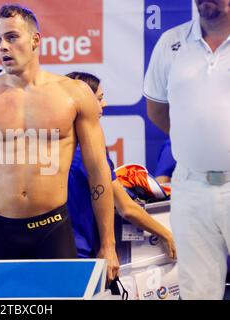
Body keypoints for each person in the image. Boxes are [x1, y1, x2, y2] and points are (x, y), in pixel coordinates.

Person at [0, 4, 119, 289]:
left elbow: (99, 171)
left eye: (12, 37)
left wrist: (108, 245)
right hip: (1, 233)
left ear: (35, 40)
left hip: (54, 231)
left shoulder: (73, 94)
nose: (3, 47)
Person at [144, 0, 230, 299]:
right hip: (191, 186)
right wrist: (198, 143)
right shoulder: (171, 43)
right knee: (197, 292)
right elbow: (156, 109)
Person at [66, 72, 176, 260]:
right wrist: (167, 234)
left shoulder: (52, 149)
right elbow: (126, 208)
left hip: (53, 250)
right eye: (99, 99)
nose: (104, 104)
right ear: (84, 103)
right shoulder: (90, 154)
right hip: (83, 256)